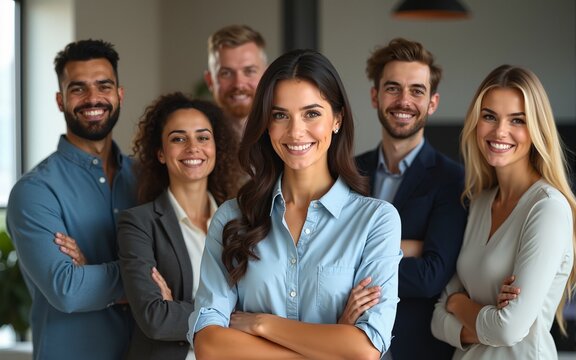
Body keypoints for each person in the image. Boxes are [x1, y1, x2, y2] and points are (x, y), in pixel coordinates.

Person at [187, 49, 402, 359]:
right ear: (266, 124)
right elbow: (209, 344)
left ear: (337, 119)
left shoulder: (376, 221)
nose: (295, 131)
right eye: (280, 115)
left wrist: (262, 324)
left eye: (311, 113)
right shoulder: (232, 218)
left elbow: (365, 350)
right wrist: (330, 345)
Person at [431, 65, 576, 359]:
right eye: (489, 116)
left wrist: (459, 304)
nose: (500, 131)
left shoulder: (547, 207)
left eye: (517, 120)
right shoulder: (479, 202)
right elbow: (436, 321)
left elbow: (507, 330)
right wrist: (487, 317)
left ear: (537, 128)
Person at [6, 39, 136, 360]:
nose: (93, 98)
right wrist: (144, 276)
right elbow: (68, 290)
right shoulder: (34, 191)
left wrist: (91, 270)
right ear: (60, 100)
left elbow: (185, 270)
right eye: (78, 89)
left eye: (103, 86)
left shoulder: (147, 177)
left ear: (119, 95)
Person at [355, 37, 467, 359]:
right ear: (376, 96)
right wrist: (406, 247)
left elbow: (431, 277)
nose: (404, 100)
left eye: (417, 90)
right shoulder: (347, 173)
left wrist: (356, 257)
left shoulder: (452, 180)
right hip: (347, 345)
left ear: (432, 102)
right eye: (393, 88)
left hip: (415, 351)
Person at [116, 93, 242, 359]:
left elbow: (269, 309)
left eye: (203, 137)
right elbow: (155, 318)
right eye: (178, 138)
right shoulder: (138, 224)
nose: (192, 147)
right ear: (161, 153)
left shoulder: (242, 222)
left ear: (216, 148)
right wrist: (239, 317)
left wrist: (178, 308)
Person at [204, 24, 267, 138]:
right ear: (209, 80)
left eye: (249, 71)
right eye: (226, 73)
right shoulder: (198, 143)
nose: (238, 84)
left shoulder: (286, 137)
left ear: (266, 75)